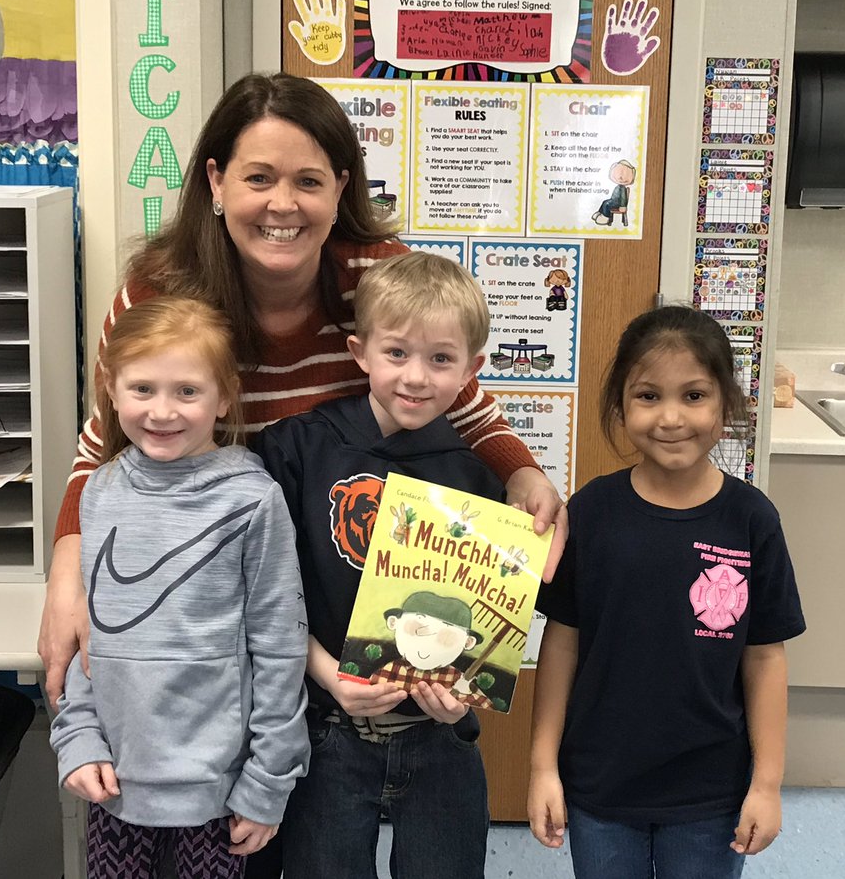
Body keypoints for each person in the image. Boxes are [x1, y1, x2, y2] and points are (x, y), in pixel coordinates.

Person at [38, 70, 565, 707]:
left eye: (308, 181)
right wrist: (66, 580)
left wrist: (525, 473)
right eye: (258, 178)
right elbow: (101, 450)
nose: (282, 205)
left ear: (340, 189)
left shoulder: (379, 276)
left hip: (345, 590)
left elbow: (466, 404)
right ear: (216, 182)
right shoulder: (158, 297)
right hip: (207, 584)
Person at [527, 305, 805, 879]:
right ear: (621, 405)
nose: (672, 417)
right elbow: (561, 643)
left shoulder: (752, 520)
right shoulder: (593, 512)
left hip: (710, 788)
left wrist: (768, 783)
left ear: (726, 403)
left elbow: (765, 657)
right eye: (648, 396)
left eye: (695, 395)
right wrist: (541, 767)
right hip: (601, 782)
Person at [253, 251, 505, 879]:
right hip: (327, 726)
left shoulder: (476, 480)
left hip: (439, 736)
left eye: (441, 359)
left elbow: (483, 621)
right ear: (359, 352)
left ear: (472, 369)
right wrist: (328, 675)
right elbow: (264, 598)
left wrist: (461, 695)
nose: (416, 377)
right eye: (397, 354)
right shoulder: (298, 449)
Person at [49, 297, 309, 878]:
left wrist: (269, 779)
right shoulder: (100, 492)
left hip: (218, 796)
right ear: (111, 390)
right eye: (142, 389)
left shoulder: (253, 499)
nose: (162, 412)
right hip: (114, 782)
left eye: (187, 392)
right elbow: (90, 639)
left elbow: (279, 646)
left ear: (223, 396)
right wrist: (79, 738)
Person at [592, 159, 636, 225]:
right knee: (605, 202)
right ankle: (600, 213)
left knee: (607, 204)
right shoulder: (618, 186)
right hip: (614, 201)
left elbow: (623, 198)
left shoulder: (622, 188)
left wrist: (623, 206)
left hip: (617, 203)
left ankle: (605, 217)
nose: (620, 177)